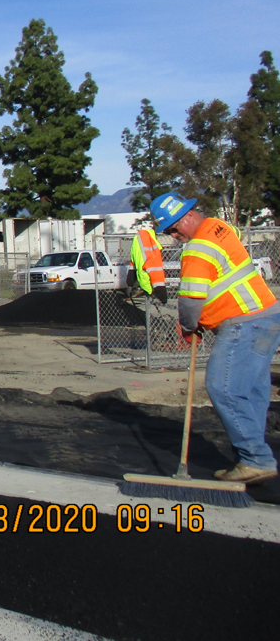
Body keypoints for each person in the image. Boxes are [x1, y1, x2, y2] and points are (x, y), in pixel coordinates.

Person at [151, 192, 279, 486]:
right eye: (168, 231)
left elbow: (192, 297)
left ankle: (255, 459)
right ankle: (254, 457)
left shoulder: (198, 248)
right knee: (251, 390)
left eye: (173, 228)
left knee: (222, 387)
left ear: (187, 217)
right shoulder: (219, 227)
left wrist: (188, 326)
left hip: (244, 323)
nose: (173, 236)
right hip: (267, 315)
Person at [129, 225, 167, 304]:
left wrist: (131, 276)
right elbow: (154, 267)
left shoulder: (137, 238)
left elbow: (134, 259)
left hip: (143, 281)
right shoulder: (148, 242)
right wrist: (160, 289)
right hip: (148, 283)